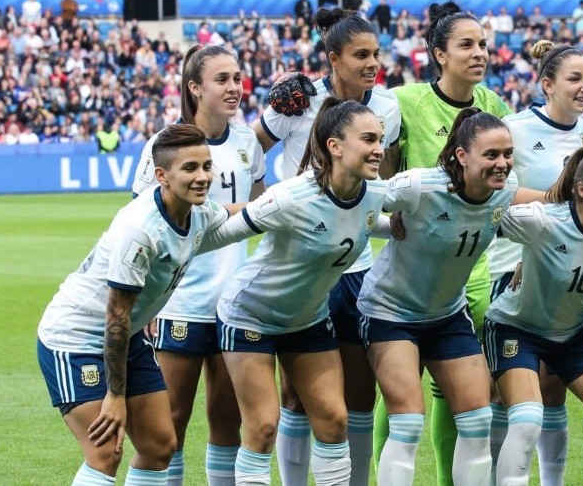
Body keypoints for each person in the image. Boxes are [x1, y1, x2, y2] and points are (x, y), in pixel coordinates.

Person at [36, 124, 237, 486]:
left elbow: (236, 214)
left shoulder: (196, 212)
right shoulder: (140, 230)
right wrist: (116, 396)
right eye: (190, 168)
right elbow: (116, 317)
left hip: (124, 337)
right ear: (161, 176)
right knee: (105, 451)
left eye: (207, 166)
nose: (203, 177)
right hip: (76, 338)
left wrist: (286, 203)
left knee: (160, 446)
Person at [211, 98, 392, 486]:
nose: (379, 148)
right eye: (368, 139)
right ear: (335, 146)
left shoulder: (375, 193)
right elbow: (221, 233)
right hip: (249, 316)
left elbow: (374, 221)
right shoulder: (292, 197)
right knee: (262, 426)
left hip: (307, 320)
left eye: (380, 139)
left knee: (334, 420)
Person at [358, 108, 542, 486]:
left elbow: (542, 210)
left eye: (507, 154)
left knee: (478, 419)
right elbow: (358, 198)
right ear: (462, 156)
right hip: (390, 312)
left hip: (447, 315)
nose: (502, 163)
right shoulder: (420, 186)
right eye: (491, 155)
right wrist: (386, 225)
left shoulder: (504, 189)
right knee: (408, 422)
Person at [254, 8, 400, 486]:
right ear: (333, 59)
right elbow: (250, 149)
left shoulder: (388, 107)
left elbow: (385, 181)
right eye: (360, 55)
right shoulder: (298, 99)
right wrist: (266, 203)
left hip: (355, 267)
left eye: (376, 54)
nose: (372, 63)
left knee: (359, 394)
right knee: (295, 395)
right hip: (298, 264)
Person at [379, 2, 513, 485]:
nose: (479, 53)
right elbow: (381, 167)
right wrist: (387, 215)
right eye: (466, 45)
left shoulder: (495, 106)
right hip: (410, 274)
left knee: (458, 395)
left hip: (472, 271)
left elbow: (508, 182)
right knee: (401, 396)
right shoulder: (404, 101)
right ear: (439, 54)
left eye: (483, 44)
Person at [131, 44, 266, 486]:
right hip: (181, 304)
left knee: (228, 422)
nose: (234, 87)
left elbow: (259, 210)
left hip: (234, 305)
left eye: (237, 78)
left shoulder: (246, 142)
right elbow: (141, 227)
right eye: (221, 79)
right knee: (169, 424)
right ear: (194, 87)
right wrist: (148, 302)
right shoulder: (165, 145)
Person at [487, 147, 583, 486]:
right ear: (581, 189)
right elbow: (483, 211)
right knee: (527, 419)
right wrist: (527, 258)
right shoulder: (542, 220)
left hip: (573, 334)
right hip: (515, 329)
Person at [485, 38, 583, 486]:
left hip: (567, 276)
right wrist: (560, 198)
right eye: (575, 78)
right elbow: (497, 189)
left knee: (552, 391)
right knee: (506, 395)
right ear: (547, 84)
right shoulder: (514, 128)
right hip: (512, 269)